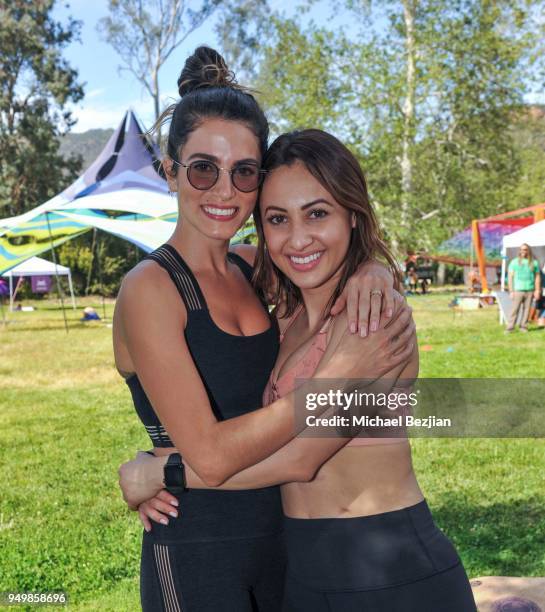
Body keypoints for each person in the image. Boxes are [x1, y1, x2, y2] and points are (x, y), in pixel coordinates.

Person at [121, 130, 475, 611]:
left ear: (352, 214)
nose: (299, 238)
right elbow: (216, 272)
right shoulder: (287, 312)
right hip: (303, 576)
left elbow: (302, 459)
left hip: (388, 571)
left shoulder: (370, 321)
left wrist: (163, 472)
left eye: (318, 213)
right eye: (277, 219)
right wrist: (375, 266)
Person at [506, 243, 541, 332]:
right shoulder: (514, 262)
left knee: (527, 310)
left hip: (530, 290)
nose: (523, 251)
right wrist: (511, 291)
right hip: (518, 290)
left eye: (525, 249)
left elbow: (537, 277)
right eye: (521, 249)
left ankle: (523, 327)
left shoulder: (534, 263)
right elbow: (510, 277)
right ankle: (510, 327)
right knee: (514, 309)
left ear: (528, 250)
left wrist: (537, 290)